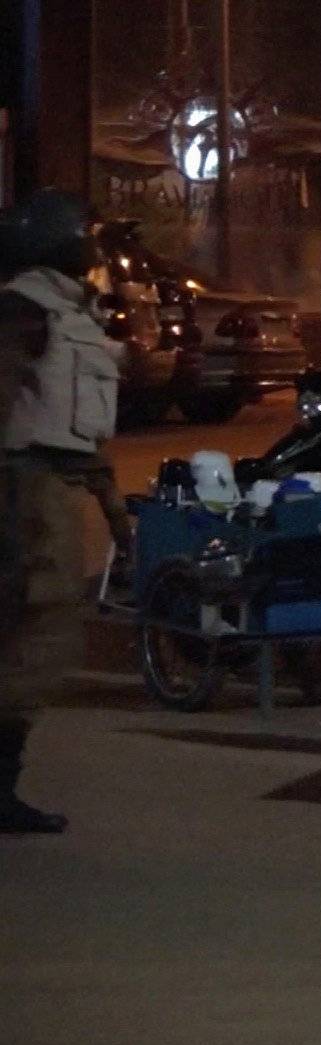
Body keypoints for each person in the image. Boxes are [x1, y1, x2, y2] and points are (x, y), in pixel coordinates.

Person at [1, 190, 114, 834]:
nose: (90, 246)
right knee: (33, 639)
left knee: (35, 639)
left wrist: (112, 507)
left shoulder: (67, 312)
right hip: (22, 493)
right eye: (81, 235)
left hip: (50, 488)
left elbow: (80, 429)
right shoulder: (24, 310)